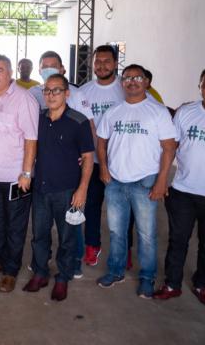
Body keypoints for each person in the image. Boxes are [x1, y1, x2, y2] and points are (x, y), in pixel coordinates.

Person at [96, 64, 177, 299]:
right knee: (116, 230)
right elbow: (101, 141)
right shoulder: (114, 111)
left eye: (137, 77)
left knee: (147, 234)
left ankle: (146, 277)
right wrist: (104, 169)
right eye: (127, 78)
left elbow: (169, 147)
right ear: (122, 83)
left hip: (145, 181)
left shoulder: (157, 111)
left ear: (146, 82)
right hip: (116, 181)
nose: (132, 81)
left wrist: (162, 180)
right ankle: (116, 270)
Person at [23, 74, 94, 301]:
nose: (51, 95)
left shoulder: (78, 121)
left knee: (67, 237)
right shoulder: (39, 119)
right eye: (47, 91)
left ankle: (63, 277)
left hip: (67, 191)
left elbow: (88, 158)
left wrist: (82, 189)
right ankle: (41, 272)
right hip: (41, 189)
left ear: (67, 93)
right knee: (39, 234)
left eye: (56, 90)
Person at [154, 67, 205, 306]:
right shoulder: (186, 112)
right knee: (177, 240)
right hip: (183, 190)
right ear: (200, 86)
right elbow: (171, 147)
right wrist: (163, 179)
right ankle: (172, 284)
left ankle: (202, 284)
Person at [0, 54, 38, 292]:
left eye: (0, 70)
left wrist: (26, 172)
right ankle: (0, 261)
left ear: (10, 72)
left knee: (15, 224)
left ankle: (11, 271)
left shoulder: (24, 100)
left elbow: (32, 139)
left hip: (15, 177)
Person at [78, 45, 124, 268]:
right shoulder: (84, 91)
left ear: (115, 63)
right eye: (98, 62)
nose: (102, 65)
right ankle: (92, 245)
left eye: (107, 61)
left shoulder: (126, 89)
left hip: (122, 161)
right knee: (92, 205)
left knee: (123, 211)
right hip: (93, 161)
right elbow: (77, 123)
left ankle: (123, 252)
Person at [29, 51, 94, 122]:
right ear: (39, 71)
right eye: (45, 67)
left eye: (53, 66)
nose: (48, 69)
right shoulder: (31, 93)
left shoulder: (76, 94)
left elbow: (89, 123)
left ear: (61, 69)